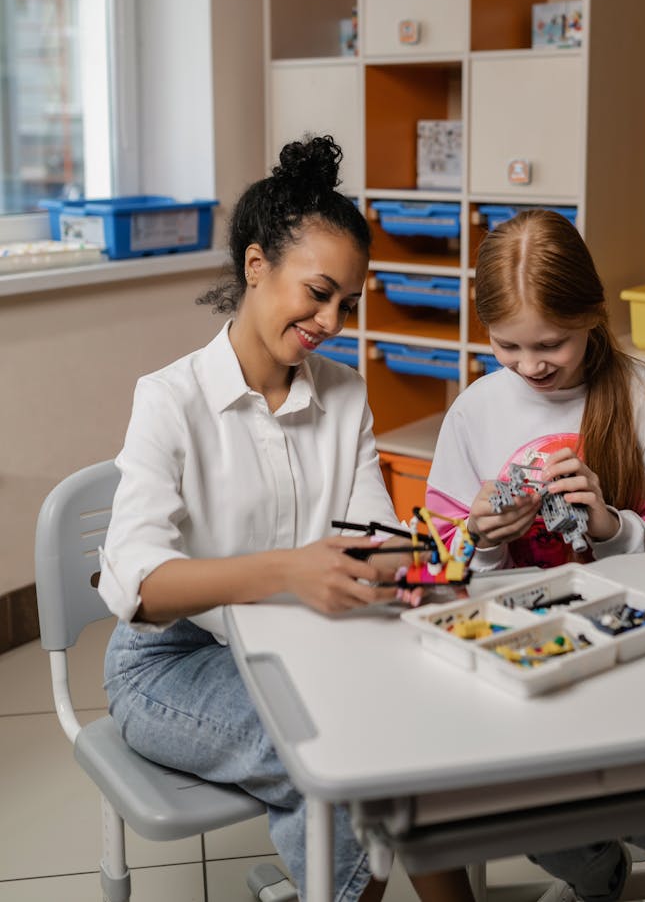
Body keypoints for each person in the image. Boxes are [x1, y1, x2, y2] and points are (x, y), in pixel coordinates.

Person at [98, 135, 473, 902]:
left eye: (348, 303)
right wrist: (292, 570)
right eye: (319, 292)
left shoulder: (343, 392)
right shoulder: (168, 399)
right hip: (170, 662)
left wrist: (450, 547)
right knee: (333, 763)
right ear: (256, 265)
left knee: (414, 739)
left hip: (298, 646)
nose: (333, 319)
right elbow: (135, 584)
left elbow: (371, 541)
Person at [425, 209, 645, 902]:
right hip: (522, 653)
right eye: (507, 345)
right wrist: (476, 535)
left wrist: (613, 526)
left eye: (552, 344)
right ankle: (602, 880)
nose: (530, 365)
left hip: (637, 648)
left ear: (592, 316)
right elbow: (431, 565)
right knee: (532, 807)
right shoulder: (474, 413)